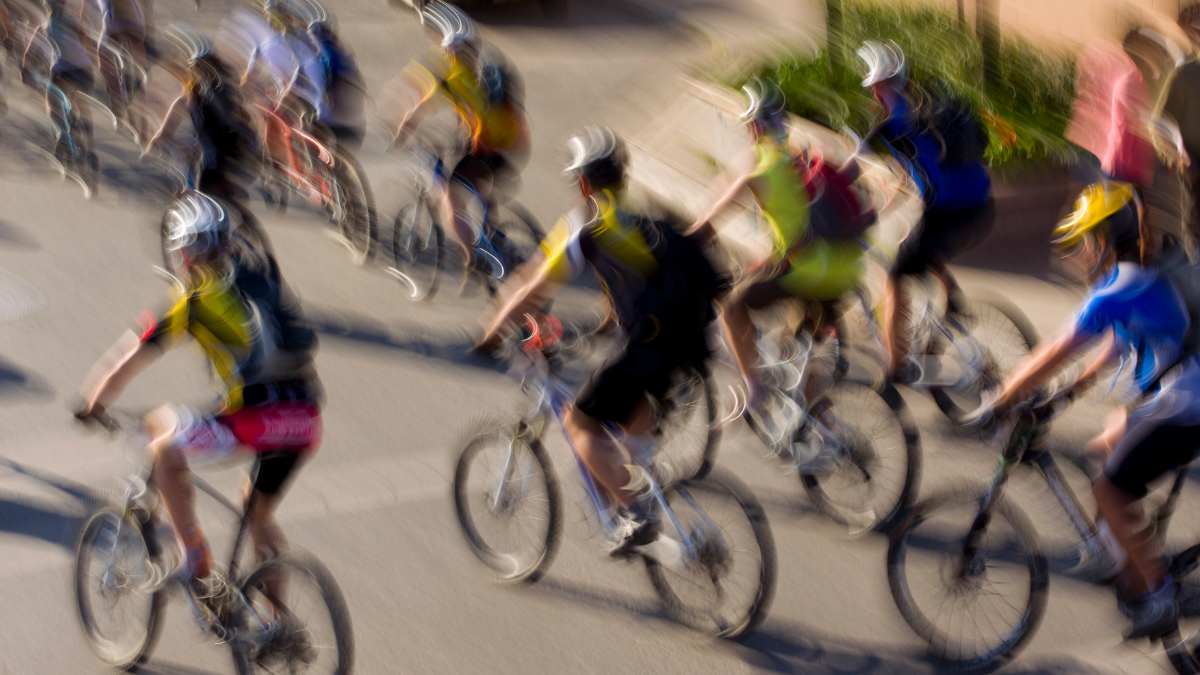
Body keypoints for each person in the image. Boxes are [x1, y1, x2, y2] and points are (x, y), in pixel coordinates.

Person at [970, 181, 1200, 640]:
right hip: (1179, 394)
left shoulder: (1118, 288)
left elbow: (1057, 347)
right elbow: (1115, 342)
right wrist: (1067, 392)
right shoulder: (1140, 275)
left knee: (1110, 491)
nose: (1079, 253)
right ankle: (1130, 563)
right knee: (1104, 448)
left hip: (1188, 403)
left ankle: (1157, 593)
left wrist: (1001, 398)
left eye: (1084, 240)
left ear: (1104, 239)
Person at [476, 127, 720, 555]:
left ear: (583, 182)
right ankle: (647, 490)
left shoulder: (585, 225)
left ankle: (637, 514)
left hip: (650, 343)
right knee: (628, 420)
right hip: (687, 339)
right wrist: (603, 324)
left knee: (580, 423)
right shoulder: (643, 211)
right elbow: (642, 279)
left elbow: (529, 287)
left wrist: (489, 334)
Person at [75, 190, 323, 594]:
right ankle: (279, 626)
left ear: (186, 253)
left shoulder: (190, 298)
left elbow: (127, 358)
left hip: (254, 421)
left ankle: (196, 561)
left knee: (163, 449)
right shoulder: (260, 279)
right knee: (256, 514)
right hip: (305, 419)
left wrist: (91, 404)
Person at [685, 78, 865, 414]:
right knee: (792, 348)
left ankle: (753, 389)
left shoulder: (758, 167)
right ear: (784, 122)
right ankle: (824, 431)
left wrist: (674, 246)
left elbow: (706, 226)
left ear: (753, 128)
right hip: (847, 266)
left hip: (811, 270)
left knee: (731, 305)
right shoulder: (804, 158)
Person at [858, 40, 994, 381]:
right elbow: (921, 170)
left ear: (878, 86)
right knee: (917, 241)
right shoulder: (929, 108)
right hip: (981, 203)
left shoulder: (891, 125)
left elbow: (851, 165)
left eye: (874, 87)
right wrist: (892, 200)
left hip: (949, 209)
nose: (874, 94)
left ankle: (894, 368)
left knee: (892, 276)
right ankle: (953, 300)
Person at [393, 0, 530, 276]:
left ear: (450, 50)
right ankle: (490, 236)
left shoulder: (451, 75)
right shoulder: (480, 71)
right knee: (480, 187)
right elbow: (474, 112)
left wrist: (399, 134)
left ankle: (471, 259)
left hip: (485, 148)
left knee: (449, 201)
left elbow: (415, 112)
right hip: (511, 144)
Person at [143, 23, 261, 233]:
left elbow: (168, 125)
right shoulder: (224, 85)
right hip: (233, 147)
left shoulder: (191, 92)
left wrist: (154, 142)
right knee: (229, 188)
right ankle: (246, 225)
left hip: (209, 153)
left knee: (195, 193)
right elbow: (242, 117)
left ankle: (212, 236)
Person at [23, 0, 95, 150]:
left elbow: (30, 48)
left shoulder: (45, 22)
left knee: (52, 100)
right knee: (80, 101)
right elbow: (86, 41)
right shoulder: (72, 19)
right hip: (84, 69)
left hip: (63, 71)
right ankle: (87, 136)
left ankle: (63, 134)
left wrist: (25, 68)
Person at [82, 0, 153, 139]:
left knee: (101, 57)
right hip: (137, 25)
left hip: (113, 26)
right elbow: (142, 6)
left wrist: (85, 41)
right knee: (139, 73)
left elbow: (83, 14)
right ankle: (143, 125)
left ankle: (116, 92)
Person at [304, 2, 366, 157]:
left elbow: (316, 91)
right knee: (340, 166)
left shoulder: (317, 55)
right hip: (356, 124)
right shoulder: (344, 53)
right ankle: (346, 180)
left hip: (330, 124)